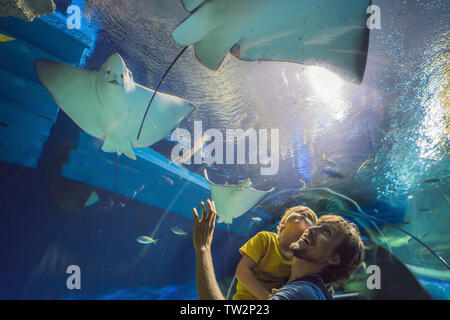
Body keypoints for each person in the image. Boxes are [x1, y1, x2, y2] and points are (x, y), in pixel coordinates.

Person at [192, 200, 365, 300]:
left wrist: (203, 249)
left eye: (325, 231)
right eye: (317, 225)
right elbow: (242, 270)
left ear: (334, 259)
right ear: (282, 224)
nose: (311, 229)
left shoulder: (300, 293)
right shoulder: (309, 289)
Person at [233, 206, 318, 300]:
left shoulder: (299, 258)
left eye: (309, 217)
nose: (304, 214)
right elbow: (242, 270)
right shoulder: (265, 238)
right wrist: (268, 297)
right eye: (298, 212)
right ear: (283, 222)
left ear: (310, 233)